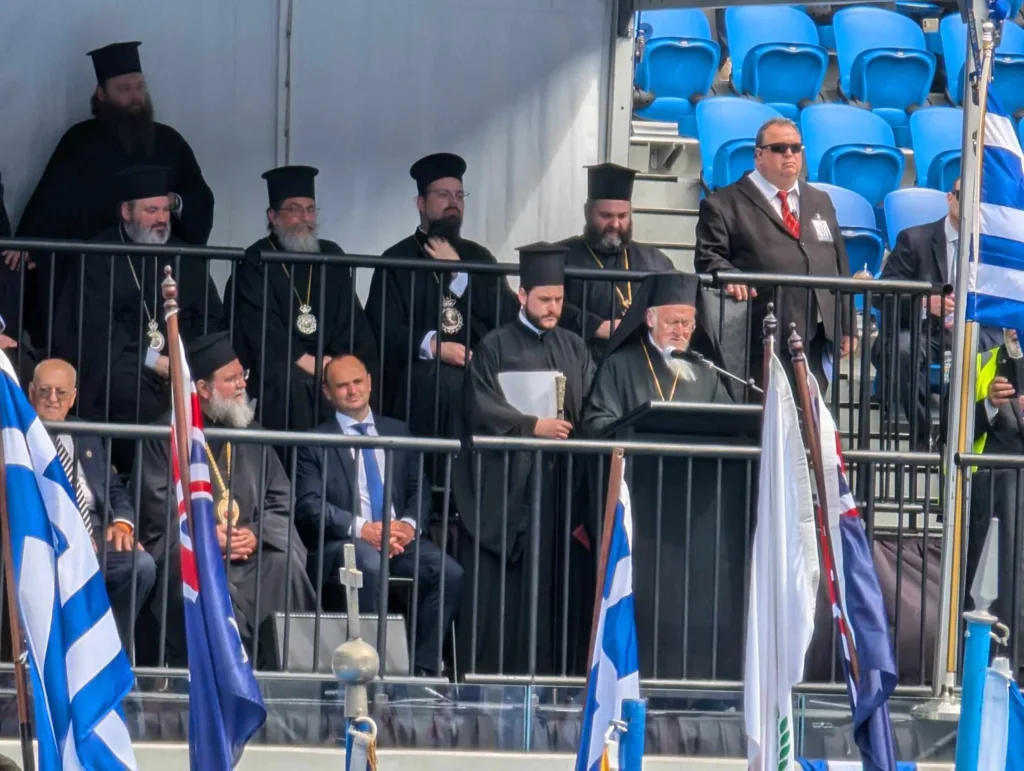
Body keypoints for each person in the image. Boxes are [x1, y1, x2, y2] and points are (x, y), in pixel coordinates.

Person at [455, 242, 595, 675]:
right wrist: (532, 425)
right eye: (545, 300)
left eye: (559, 299)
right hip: (511, 488)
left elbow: (591, 405)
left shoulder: (574, 346)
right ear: (522, 295)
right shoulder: (494, 346)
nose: (554, 308)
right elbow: (480, 406)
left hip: (560, 486)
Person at [136, 332, 315, 668]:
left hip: (252, 551)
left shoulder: (254, 435)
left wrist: (257, 532)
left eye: (241, 376)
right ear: (202, 389)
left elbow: (280, 500)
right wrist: (206, 537)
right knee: (215, 582)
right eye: (231, 379)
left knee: (285, 565)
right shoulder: (165, 437)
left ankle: (291, 674)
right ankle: (233, 675)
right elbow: (157, 510)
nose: (241, 385)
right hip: (194, 552)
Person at [16, 42, 214, 345]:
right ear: (102, 94)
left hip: (156, 272)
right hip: (95, 275)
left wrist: (173, 202)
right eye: (124, 88)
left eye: (139, 87)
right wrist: (27, 242)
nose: (135, 97)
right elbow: (51, 203)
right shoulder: (79, 141)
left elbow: (201, 200)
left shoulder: (169, 142)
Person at [295, 355, 463, 676]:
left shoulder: (397, 431)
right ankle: (374, 668)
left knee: (448, 572)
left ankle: (423, 670)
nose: (352, 390)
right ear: (328, 393)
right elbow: (309, 504)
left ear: (370, 382)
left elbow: (420, 489)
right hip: (346, 543)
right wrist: (362, 528)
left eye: (358, 382)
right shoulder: (315, 442)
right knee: (368, 564)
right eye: (342, 386)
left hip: (399, 540)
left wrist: (408, 526)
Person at [55, 165, 224, 437]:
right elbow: (96, 329)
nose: (161, 219)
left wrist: (187, 361)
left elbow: (210, 317)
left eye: (164, 210)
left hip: (183, 364)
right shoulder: (99, 256)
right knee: (132, 394)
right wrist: (153, 359)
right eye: (151, 210)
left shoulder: (185, 256)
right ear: (126, 212)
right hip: (126, 361)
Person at [365, 152, 518, 438]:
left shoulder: (478, 257)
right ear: (421, 203)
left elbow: (506, 316)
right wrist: (433, 345)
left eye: (460, 195)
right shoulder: (397, 259)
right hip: (418, 381)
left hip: (475, 374)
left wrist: (459, 273)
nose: (454, 203)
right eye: (444, 194)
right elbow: (381, 329)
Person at [694, 117, 852, 390]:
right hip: (761, 335)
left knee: (811, 423)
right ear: (758, 156)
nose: (789, 154)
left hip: (816, 335)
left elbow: (839, 262)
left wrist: (846, 324)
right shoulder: (723, 203)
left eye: (795, 147)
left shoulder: (820, 200)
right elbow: (708, 256)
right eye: (779, 148)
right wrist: (730, 274)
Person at [229, 165, 378, 433]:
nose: (305, 218)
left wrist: (337, 362)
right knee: (291, 384)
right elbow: (259, 323)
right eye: (294, 209)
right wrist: (302, 358)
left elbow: (348, 318)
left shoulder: (331, 256)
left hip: (329, 359)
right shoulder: (256, 259)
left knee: (355, 376)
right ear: (273, 216)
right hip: (278, 363)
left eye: (310, 209)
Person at [29, 358, 157, 650]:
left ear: (73, 397)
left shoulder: (86, 433)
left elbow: (114, 489)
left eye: (60, 393)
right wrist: (70, 531)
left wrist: (122, 523)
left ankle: (113, 652)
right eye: (45, 391)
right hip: (46, 537)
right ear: (31, 392)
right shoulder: (16, 437)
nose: (52, 399)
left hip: (97, 533)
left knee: (141, 566)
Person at [874, 177, 1001, 449]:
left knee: (998, 352)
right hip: (924, 334)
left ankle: (962, 436)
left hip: (974, 332)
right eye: (961, 193)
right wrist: (924, 304)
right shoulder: (913, 239)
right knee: (903, 348)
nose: (968, 202)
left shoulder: (993, 250)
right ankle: (922, 436)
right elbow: (881, 295)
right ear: (949, 197)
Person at [583, 271, 731, 436]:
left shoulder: (705, 370)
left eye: (687, 323)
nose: (680, 332)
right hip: (636, 460)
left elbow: (728, 424)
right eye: (672, 322)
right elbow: (597, 422)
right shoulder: (618, 365)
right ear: (650, 319)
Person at [559, 163, 674, 360]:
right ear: (587, 212)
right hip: (580, 360)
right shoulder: (561, 255)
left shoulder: (655, 260)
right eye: (606, 216)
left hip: (638, 363)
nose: (615, 224)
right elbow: (544, 303)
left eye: (622, 216)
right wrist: (595, 326)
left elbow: (676, 302)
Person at [967, 328, 1024, 677]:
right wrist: (988, 403)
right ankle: (998, 666)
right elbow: (951, 433)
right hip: (993, 500)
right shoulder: (980, 359)